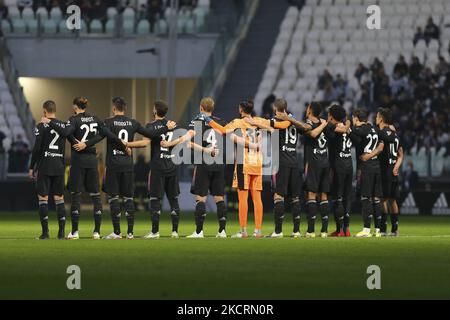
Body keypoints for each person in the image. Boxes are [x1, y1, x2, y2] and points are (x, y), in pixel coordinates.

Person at [72, 97, 175, 239]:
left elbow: (100, 137)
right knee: (128, 198)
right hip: (127, 165)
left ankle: (117, 232)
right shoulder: (133, 122)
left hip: (113, 165)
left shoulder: (108, 122)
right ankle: (130, 233)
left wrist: (85, 144)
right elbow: (150, 135)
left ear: (114, 108)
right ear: (124, 109)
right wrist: (166, 128)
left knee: (113, 197)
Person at [205, 100, 292, 238]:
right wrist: (289, 118)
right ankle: (258, 231)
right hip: (257, 162)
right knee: (257, 198)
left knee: (243, 198)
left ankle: (243, 231)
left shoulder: (237, 122)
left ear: (241, 109)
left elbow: (221, 131)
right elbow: (280, 126)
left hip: (243, 163)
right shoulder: (259, 120)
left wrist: (208, 120)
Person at [42, 97, 111, 240]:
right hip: (92, 162)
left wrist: (51, 122)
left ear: (75, 107)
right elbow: (104, 133)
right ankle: (96, 232)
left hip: (78, 162)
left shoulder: (73, 120)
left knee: (76, 195)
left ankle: (75, 232)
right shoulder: (95, 118)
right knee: (96, 196)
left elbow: (66, 133)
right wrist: (88, 144)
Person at [160, 97, 228, 238]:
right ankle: (222, 231)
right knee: (219, 198)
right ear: (212, 108)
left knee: (200, 197)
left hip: (203, 163)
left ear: (201, 108)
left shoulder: (197, 121)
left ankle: (199, 232)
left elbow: (187, 141)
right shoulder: (220, 122)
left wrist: (171, 143)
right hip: (219, 163)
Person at [125, 100, 181, 239]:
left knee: (155, 199)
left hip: (157, 166)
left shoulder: (151, 126)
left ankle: (155, 232)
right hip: (172, 165)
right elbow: (180, 140)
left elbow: (144, 143)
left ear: (155, 111)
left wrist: (127, 144)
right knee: (173, 199)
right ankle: (175, 232)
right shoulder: (173, 124)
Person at [261, 99, 311, 238]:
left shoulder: (276, 121)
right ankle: (296, 231)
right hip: (294, 162)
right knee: (295, 198)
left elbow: (267, 125)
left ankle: (278, 231)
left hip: (281, 163)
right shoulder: (293, 121)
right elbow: (306, 128)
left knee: (278, 196)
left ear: (275, 108)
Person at [302, 102, 346, 238]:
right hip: (325, 162)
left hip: (313, 162)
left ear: (310, 110)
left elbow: (313, 133)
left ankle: (310, 230)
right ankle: (324, 231)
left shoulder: (309, 123)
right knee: (324, 196)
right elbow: (341, 130)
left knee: (311, 194)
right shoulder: (326, 124)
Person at [29, 101, 67, 240]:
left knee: (43, 199)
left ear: (44, 111)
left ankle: (45, 233)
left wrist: (32, 166)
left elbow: (37, 148)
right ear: (54, 110)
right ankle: (61, 233)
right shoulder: (63, 125)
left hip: (45, 165)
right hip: (58, 166)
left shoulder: (41, 126)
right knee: (59, 199)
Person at [348, 108, 384, 238]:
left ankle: (366, 229)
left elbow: (355, 135)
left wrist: (348, 128)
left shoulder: (362, 128)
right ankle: (378, 230)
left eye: (353, 118)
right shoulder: (373, 128)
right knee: (376, 198)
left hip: (366, 167)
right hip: (376, 166)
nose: (352, 121)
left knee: (365, 197)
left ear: (356, 118)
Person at [376, 108, 403, 237]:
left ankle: (383, 229)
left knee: (384, 199)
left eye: (377, 116)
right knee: (393, 200)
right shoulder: (396, 135)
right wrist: (396, 167)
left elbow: (380, 148)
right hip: (393, 171)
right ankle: (395, 229)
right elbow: (401, 155)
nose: (376, 119)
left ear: (381, 118)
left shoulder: (381, 133)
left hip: (385, 169)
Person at [327, 104, 352, 237]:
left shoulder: (331, 126)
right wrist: (348, 122)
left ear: (331, 116)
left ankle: (340, 230)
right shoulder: (348, 129)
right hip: (349, 165)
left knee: (338, 198)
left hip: (338, 166)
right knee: (347, 198)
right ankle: (347, 229)